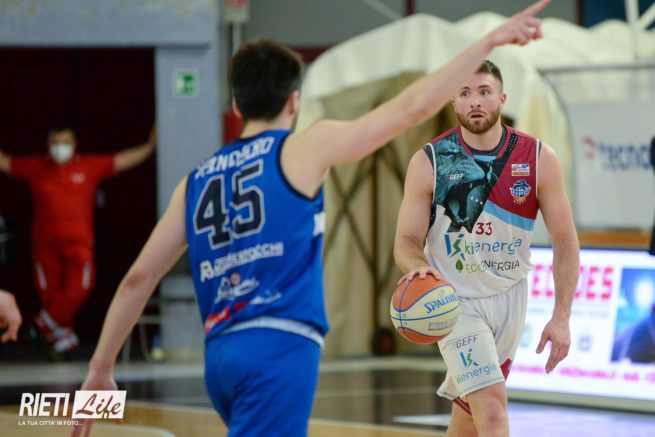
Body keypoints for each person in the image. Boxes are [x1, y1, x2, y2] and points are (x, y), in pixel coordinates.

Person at [73, 2, 550, 436]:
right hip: (278, 347)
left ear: (236, 106)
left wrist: (100, 367)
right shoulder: (302, 150)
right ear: (293, 101)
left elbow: (138, 278)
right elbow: (412, 108)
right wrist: (489, 41)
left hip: (218, 355)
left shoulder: (195, 182)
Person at [393, 58, 579, 436]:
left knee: (468, 419)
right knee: (492, 410)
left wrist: (561, 316)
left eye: (484, 92)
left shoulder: (539, 158)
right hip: (455, 300)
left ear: (502, 99)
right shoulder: (429, 161)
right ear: (453, 101)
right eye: (464, 93)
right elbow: (406, 240)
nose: (475, 101)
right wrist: (416, 265)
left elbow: (565, 241)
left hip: (510, 298)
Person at [0, 125, 156, 353]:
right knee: (50, 295)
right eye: (55, 142)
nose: (59, 147)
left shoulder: (89, 166)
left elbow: (121, 160)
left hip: (80, 244)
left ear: (74, 144)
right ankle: (62, 339)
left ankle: (42, 324)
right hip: (45, 245)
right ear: (48, 144)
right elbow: (5, 163)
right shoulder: (37, 166)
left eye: (64, 142)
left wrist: (149, 147)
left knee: (81, 288)